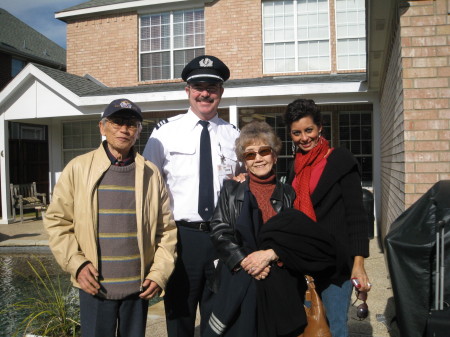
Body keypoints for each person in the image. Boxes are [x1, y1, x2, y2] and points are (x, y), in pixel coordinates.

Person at [44, 98, 177, 337]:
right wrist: (77, 264)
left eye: (131, 124)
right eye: (117, 122)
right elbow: (57, 222)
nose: (124, 130)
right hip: (95, 287)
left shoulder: (150, 173)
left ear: (138, 132)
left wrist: (159, 273)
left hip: (138, 289)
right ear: (102, 127)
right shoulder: (78, 168)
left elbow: (166, 230)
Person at [205, 121, 337, 337]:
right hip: (241, 280)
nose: (258, 158)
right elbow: (219, 230)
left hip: (280, 283)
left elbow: (300, 237)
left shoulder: (288, 193)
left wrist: (271, 255)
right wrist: (246, 261)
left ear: (274, 156)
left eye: (264, 151)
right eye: (250, 154)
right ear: (244, 162)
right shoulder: (231, 189)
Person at [143, 55, 242, 337]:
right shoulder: (164, 133)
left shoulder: (234, 135)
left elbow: (244, 183)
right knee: (180, 316)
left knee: (219, 318)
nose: (205, 93)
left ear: (220, 92)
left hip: (223, 238)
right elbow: (150, 187)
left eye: (212, 87)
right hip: (182, 238)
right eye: (198, 86)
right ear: (187, 91)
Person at [284, 98, 371, 337]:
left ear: (320, 127)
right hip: (303, 262)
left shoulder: (341, 160)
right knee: (308, 325)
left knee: (335, 327)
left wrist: (359, 264)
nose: (304, 138)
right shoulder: (295, 166)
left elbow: (356, 215)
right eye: (297, 133)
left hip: (335, 264)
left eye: (309, 130)